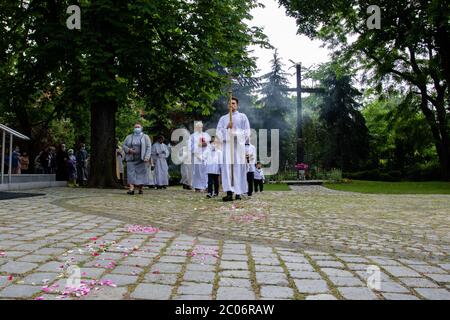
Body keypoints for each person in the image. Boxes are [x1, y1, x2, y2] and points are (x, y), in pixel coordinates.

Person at [216, 97, 251, 201]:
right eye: (230, 104)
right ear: (228, 106)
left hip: (238, 147)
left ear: (237, 105)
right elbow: (218, 133)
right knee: (228, 169)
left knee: (238, 169)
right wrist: (227, 127)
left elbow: (247, 131)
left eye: (233, 103)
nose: (231, 105)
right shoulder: (223, 119)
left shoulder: (242, 117)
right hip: (227, 147)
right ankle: (229, 192)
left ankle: (238, 192)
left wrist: (235, 133)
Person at [122, 123, 152, 195]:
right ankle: (131, 188)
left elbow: (149, 147)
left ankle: (140, 188)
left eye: (138, 127)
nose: (137, 128)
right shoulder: (129, 137)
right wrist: (129, 150)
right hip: (131, 158)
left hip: (142, 159)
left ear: (141, 128)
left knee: (141, 174)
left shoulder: (145, 137)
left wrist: (147, 157)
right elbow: (124, 145)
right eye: (135, 127)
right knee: (130, 173)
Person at [190, 121, 210, 191]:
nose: (200, 128)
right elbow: (190, 147)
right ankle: (198, 187)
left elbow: (209, 146)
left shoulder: (206, 135)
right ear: (195, 128)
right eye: (198, 127)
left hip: (205, 156)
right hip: (196, 156)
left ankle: (206, 186)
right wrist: (198, 145)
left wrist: (206, 145)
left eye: (201, 127)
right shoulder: (192, 136)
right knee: (197, 172)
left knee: (205, 171)